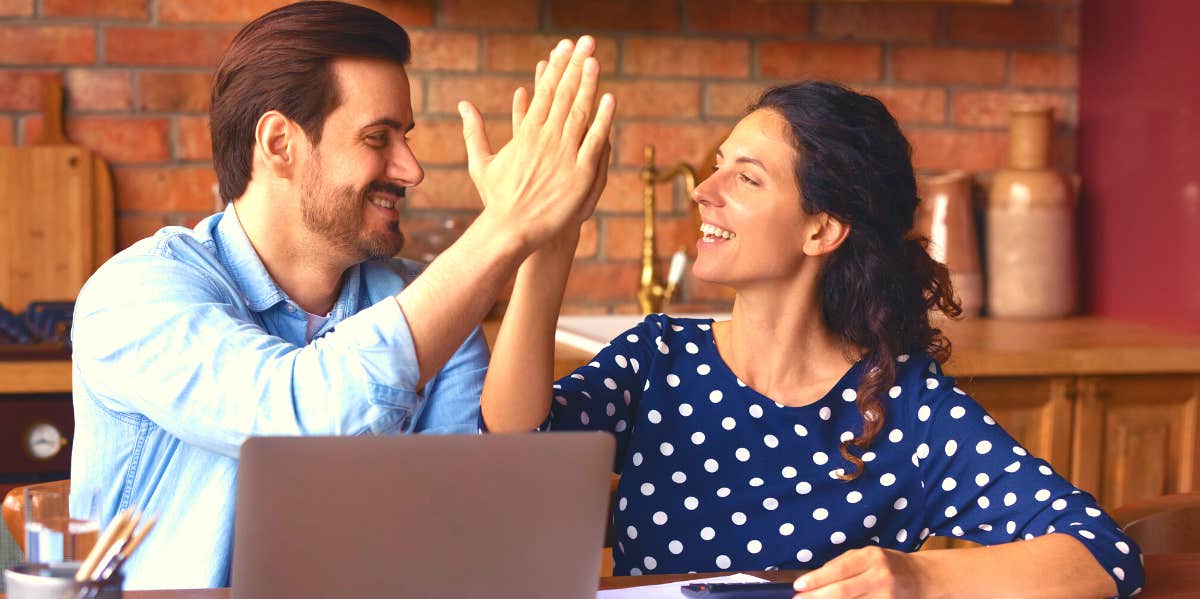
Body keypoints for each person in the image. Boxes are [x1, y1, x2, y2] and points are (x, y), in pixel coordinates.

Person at [481, 81, 1145, 597]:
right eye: (717, 166)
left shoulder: (904, 408)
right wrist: (547, 241)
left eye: (746, 176)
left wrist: (918, 580)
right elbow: (515, 443)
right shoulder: (658, 360)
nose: (704, 191)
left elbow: (1103, 554)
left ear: (822, 231)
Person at [69, 0, 614, 589]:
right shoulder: (135, 294)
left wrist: (546, 240)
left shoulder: (418, 298)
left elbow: (479, 514)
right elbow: (297, 420)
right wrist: (504, 227)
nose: (410, 169)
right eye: (378, 137)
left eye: (405, 137)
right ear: (280, 143)